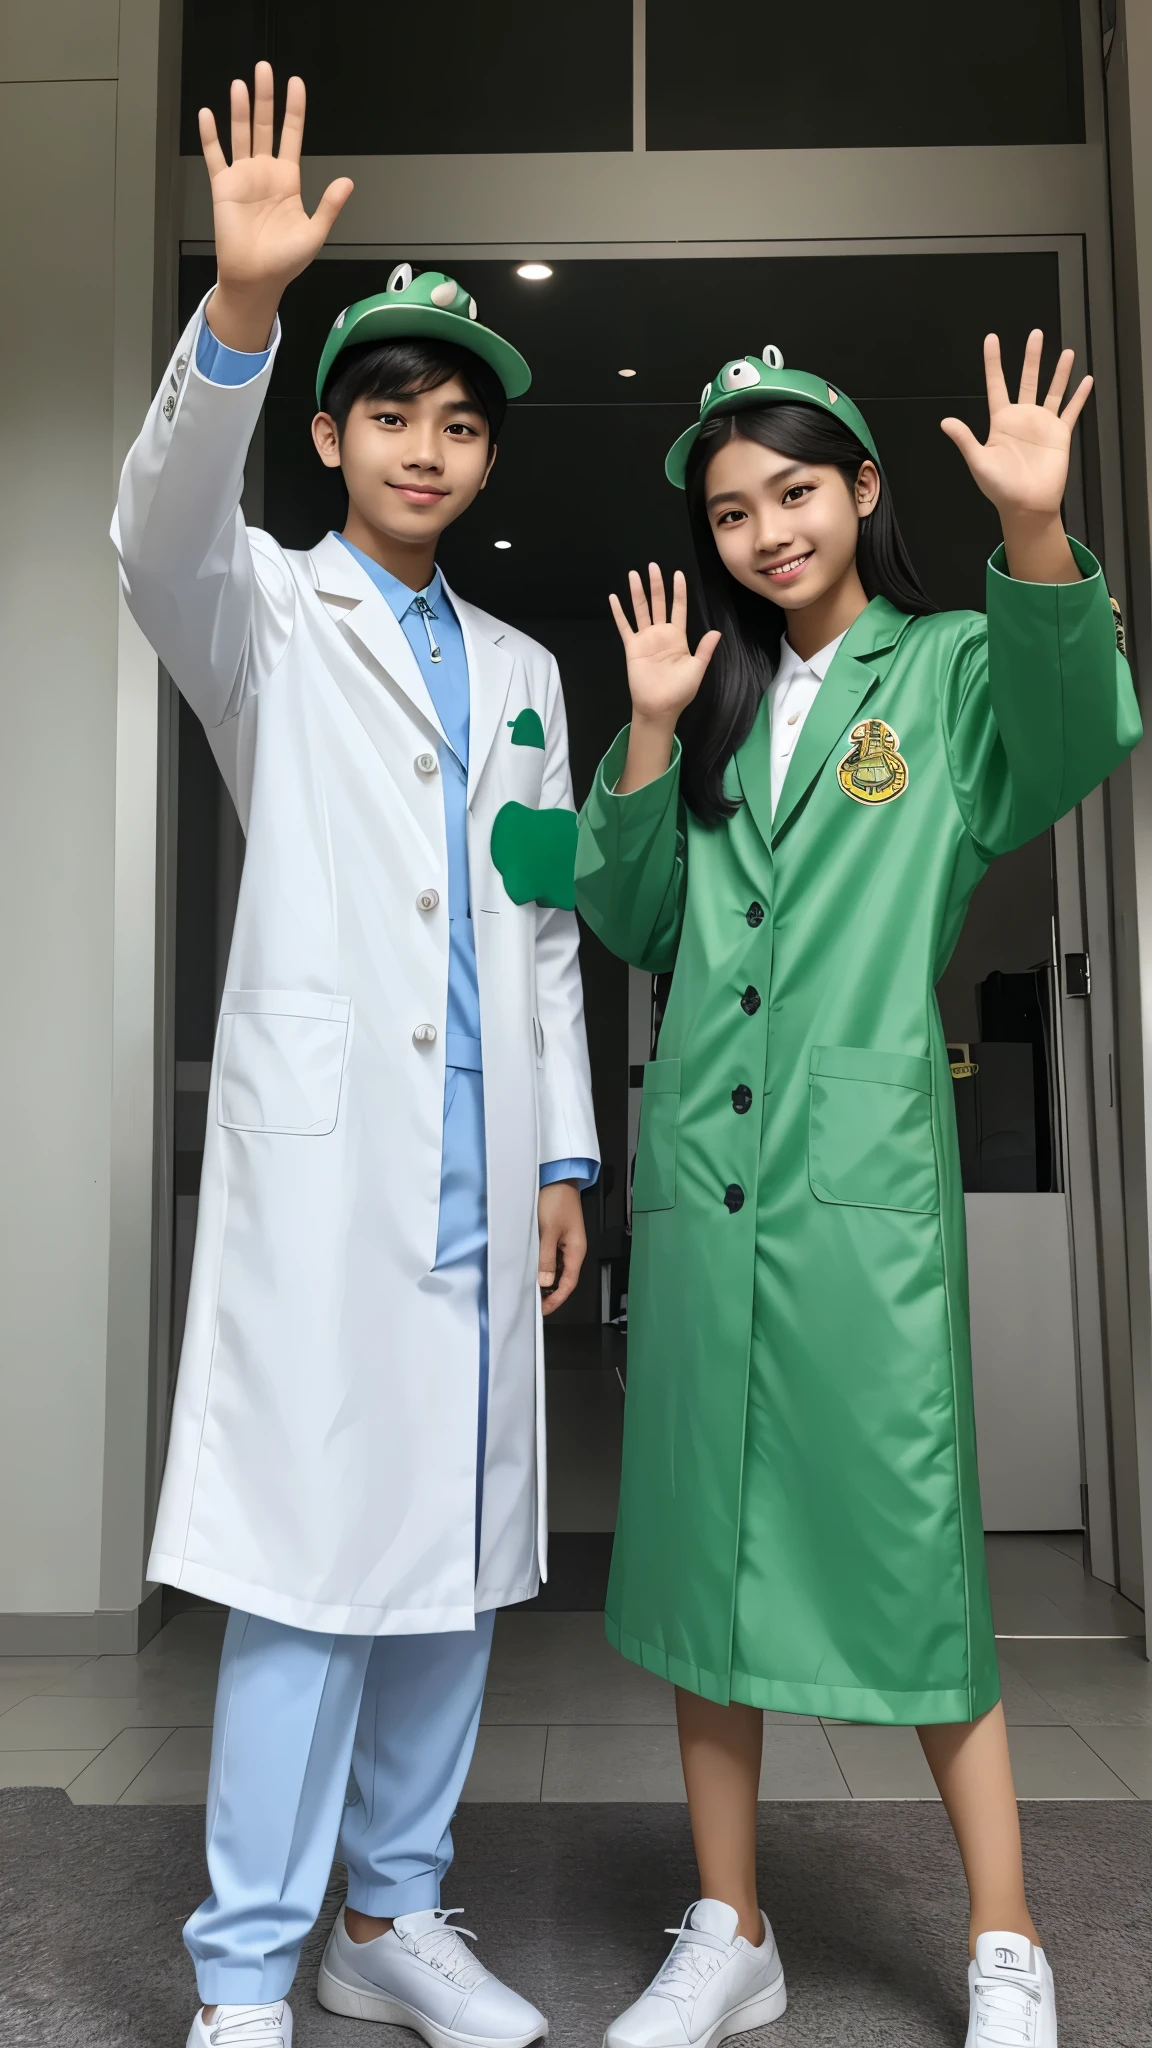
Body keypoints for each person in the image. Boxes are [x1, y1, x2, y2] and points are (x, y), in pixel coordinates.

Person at [575, 335, 1140, 2048]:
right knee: (704, 1563)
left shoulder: (953, 670)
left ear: (866, 491)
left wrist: (1037, 539)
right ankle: (730, 1923)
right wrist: (650, 741)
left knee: (910, 1556)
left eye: (796, 492)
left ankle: (1005, 1937)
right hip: (706, 1185)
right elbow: (632, 919)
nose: (767, 533)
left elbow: (1074, 733)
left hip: (859, 1186)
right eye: (732, 510)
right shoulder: (719, 698)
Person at [113, 63, 597, 2048]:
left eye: (459, 420)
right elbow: (152, 533)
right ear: (331, 434)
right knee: (305, 1575)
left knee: (459, 1569)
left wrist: (566, 1155)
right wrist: (239, 314)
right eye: (390, 410)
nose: (424, 442)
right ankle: (243, 1971)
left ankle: (388, 1920)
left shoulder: (528, 676)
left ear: (484, 460)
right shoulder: (264, 617)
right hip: (330, 1175)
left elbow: (546, 925)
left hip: (487, 1189)